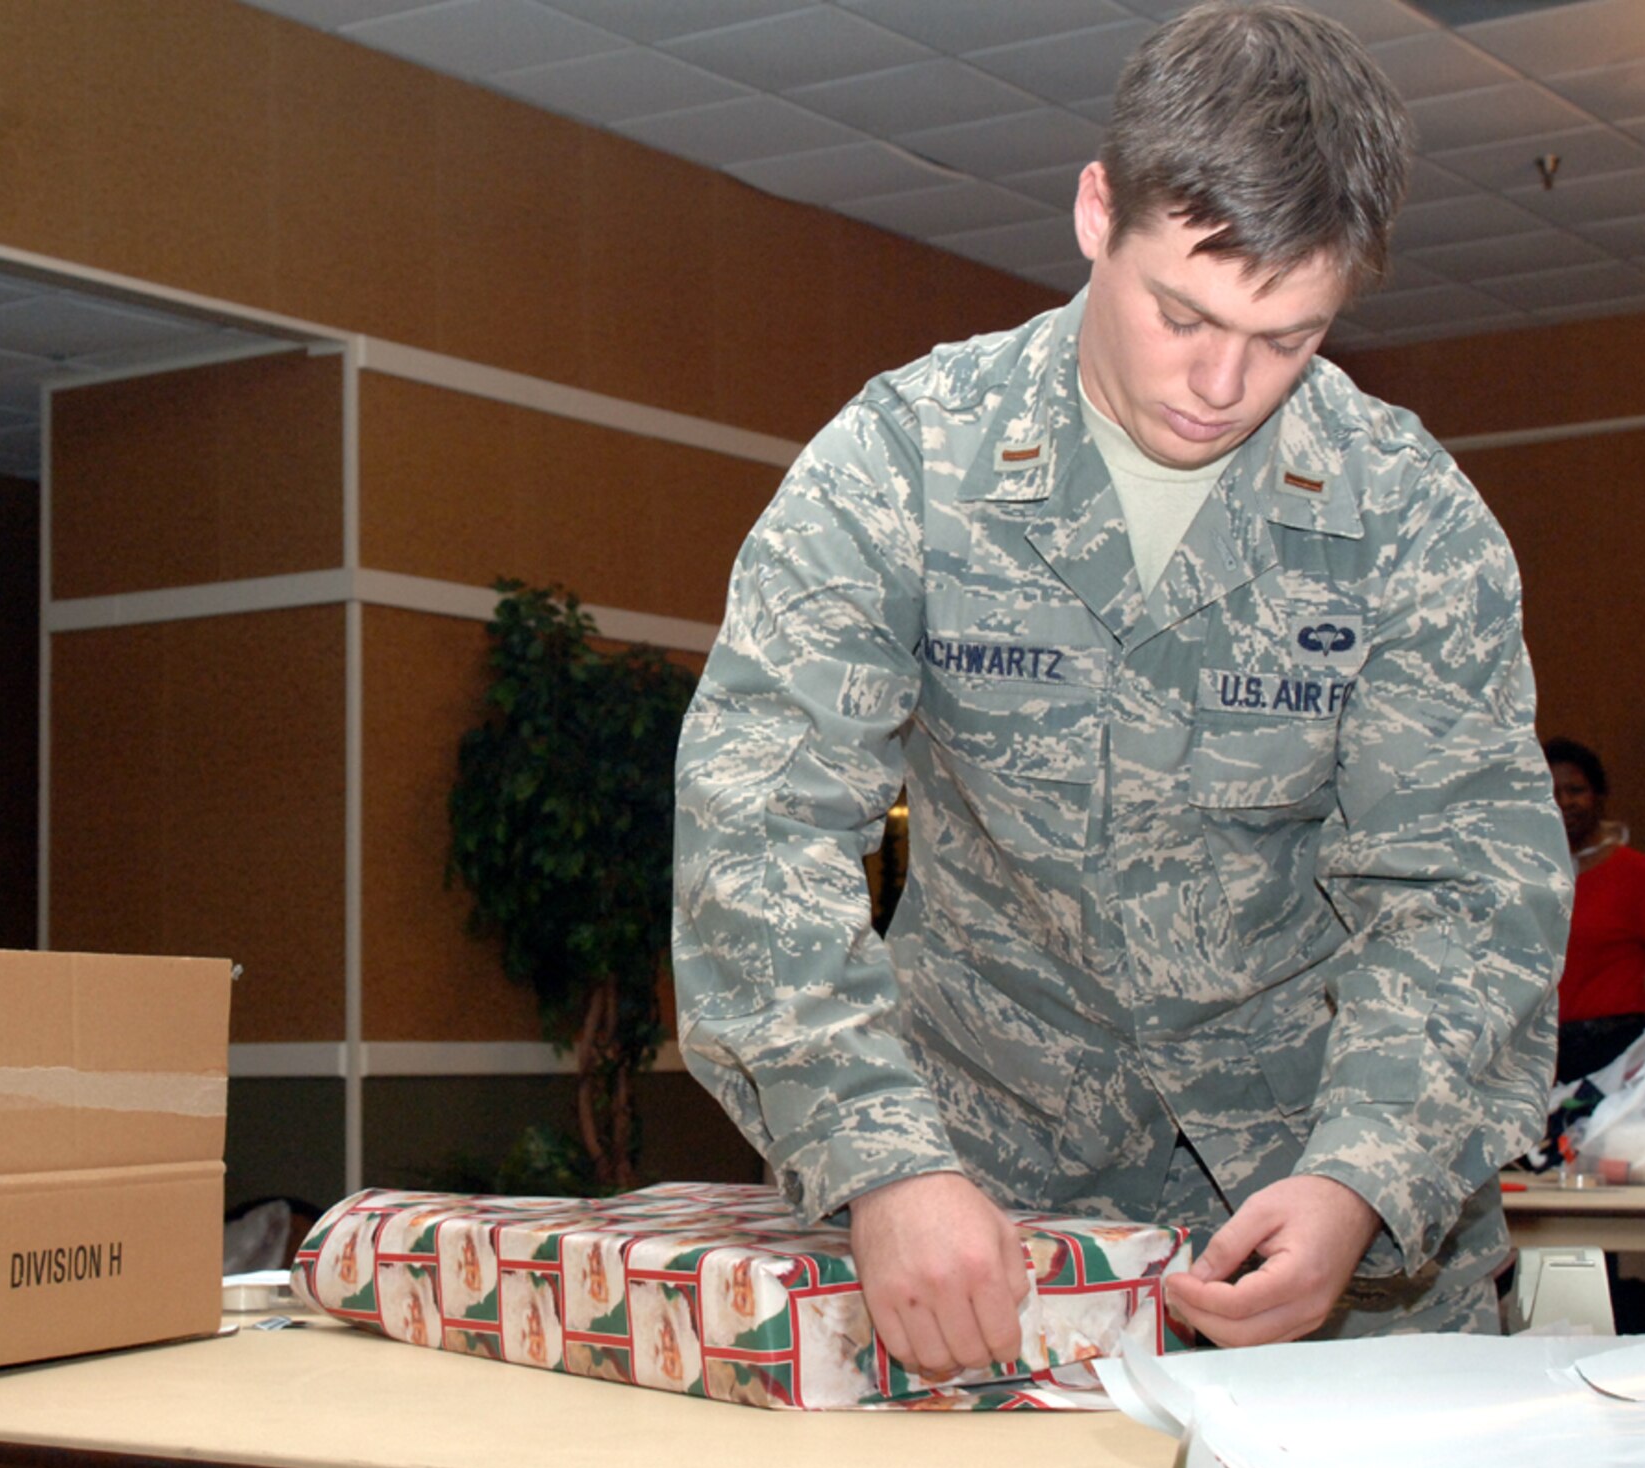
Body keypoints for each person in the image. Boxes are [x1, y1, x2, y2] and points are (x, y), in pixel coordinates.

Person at [673, 1, 1571, 1361]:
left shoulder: (1405, 517)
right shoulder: (911, 460)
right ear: (1099, 212)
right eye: (1184, 312)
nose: (1223, 382)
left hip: (1327, 1234)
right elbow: (760, 823)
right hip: (982, 1223)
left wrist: (1359, 1179)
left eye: (1290, 338)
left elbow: (1467, 892)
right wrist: (877, 1152)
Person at [1544, 738, 1645, 1085]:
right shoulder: (1524, 881)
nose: (1564, 803)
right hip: (1540, 1060)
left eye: (1576, 790)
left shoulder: (1640, 875)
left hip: (1616, 1056)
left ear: (1600, 796)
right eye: (1550, 792)